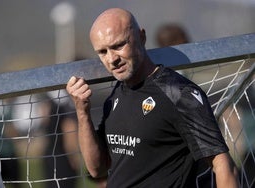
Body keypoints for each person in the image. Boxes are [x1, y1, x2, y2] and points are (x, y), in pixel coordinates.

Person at [66, 8, 239, 188]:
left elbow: (223, 166)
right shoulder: (116, 94)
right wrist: (82, 112)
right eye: (103, 52)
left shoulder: (179, 93)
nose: (112, 59)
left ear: (141, 37)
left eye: (118, 46)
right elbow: (97, 168)